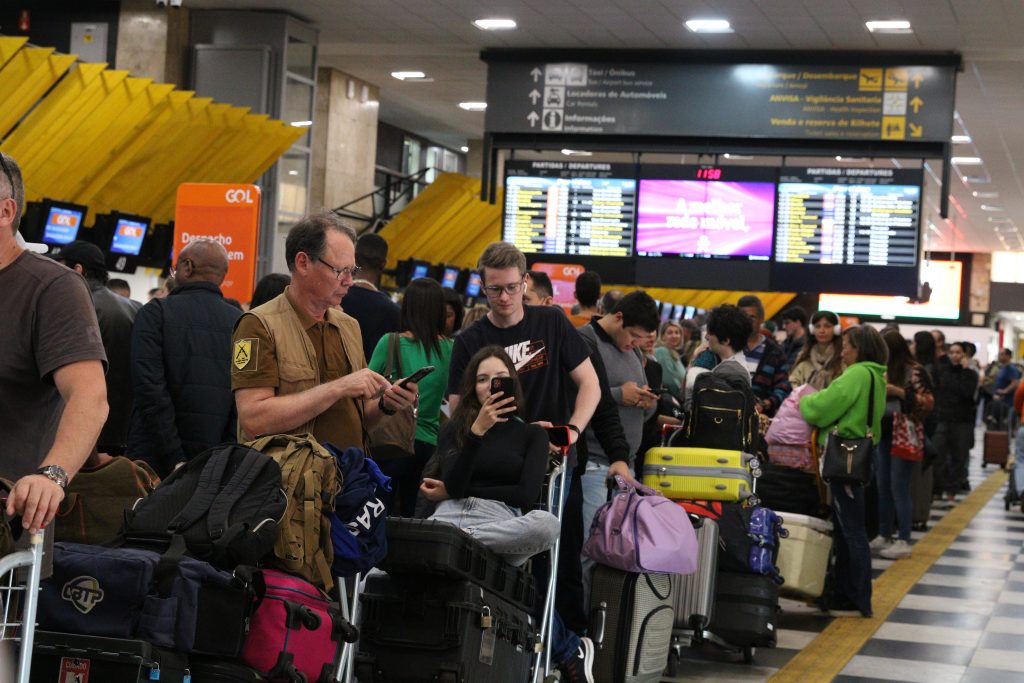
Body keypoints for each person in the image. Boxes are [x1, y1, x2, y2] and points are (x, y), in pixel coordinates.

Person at [446, 241, 600, 676]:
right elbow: (459, 411)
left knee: (548, 560)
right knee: (498, 562)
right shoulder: (471, 340)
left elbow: (590, 385)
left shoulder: (551, 322)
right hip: (491, 463)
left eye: (512, 287)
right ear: (482, 287)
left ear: (525, 282)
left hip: (548, 463)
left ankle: (559, 648)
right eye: (494, 290)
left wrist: (570, 430)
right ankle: (551, 649)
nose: (504, 297)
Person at [421, 346, 588, 681]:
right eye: (482, 379)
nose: (490, 385)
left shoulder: (532, 434)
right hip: (449, 516)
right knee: (379, 574)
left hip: (498, 524)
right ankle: (455, 542)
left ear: (511, 383)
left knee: (547, 524)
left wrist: (461, 491)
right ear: (473, 387)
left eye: (498, 378)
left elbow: (525, 497)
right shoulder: (456, 429)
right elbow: (453, 484)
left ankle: (459, 544)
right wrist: (477, 434)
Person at [0, 151, 108, 560]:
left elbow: (89, 397)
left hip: (8, 529)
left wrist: (52, 475)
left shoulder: (51, 288)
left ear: (6, 210)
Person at [232, 213, 417, 451]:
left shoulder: (349, 326)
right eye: (340, 271)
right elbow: (254, 420)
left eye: (353, 270)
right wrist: (338, 388)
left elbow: (357, 421)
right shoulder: (259, 325)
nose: (349, 281)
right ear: (303, 263)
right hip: (289, 483)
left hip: (349, 479)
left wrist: (385, 404)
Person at [127, 238, 243, 475]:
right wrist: (224, 453)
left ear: (187, 267)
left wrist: (175, 458)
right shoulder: (241, 324)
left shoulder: (155, 314)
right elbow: (243, 396)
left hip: (154, 458)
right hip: (215, 463)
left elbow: (149, 388)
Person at [800, 325, 888, 618]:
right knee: (850, 527)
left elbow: (824, 407)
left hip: (844, 458)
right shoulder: (876, 375)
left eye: (848, 345)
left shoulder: (856, 374)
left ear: (859, 348)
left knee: (851, 529)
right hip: (863, 456)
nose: (843, 350)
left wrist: (805, 400)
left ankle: (857, 596)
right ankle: (848, 593)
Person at [577, 292, 660, 595]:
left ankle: (607, 622)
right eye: (634, 336)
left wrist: (645, 402)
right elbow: (579, 398)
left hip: (626, 467)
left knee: (618, 553)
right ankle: (581, 624)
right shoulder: (585, 341)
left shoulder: (635, 353)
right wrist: (617, 395)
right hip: (595, 464)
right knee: (589, 549)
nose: (635, 344)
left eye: (642, 340)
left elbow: (640, 413)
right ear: (619, 317)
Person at [368, 278, 453, 516]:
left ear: (407, 307)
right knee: (415, 517)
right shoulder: (451, 348)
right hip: (429, 446)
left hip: (390, 442)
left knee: (380, 516)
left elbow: (366, 386)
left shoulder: (391, 342)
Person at [55, 241, 141, 455]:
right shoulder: (136, 309)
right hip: (125, 429)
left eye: (60, 266)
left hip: (81, 427)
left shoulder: (75, 306)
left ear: (78, 270)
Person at [870, 329, 929, 560]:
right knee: (882, 485)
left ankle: (904, 538)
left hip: (903, 433)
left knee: (899, 487)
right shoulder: (879, 369)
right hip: (882, 431)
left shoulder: (914, 371)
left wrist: (899, 392)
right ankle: (885, 533)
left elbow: (927, 403)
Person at [341, 231, 401, 360]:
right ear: (383, 264)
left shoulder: (335, 297)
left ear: (354, 258)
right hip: (369, 378)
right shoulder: (393, 311)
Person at [684, 304, 753, 409]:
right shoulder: (733, 365)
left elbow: (694, 408)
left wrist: (694, 369)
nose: (706, 337)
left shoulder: (729, 371)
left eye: (710, 333)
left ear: (725, 340)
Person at [933, 342, 978, 501]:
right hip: (943, 418)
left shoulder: (970, 375)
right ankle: (937, 489)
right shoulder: (942, 371)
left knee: (958, 457)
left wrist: (964, 370)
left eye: (958, 352)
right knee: (938, 455)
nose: (955, 356)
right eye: (952, 352)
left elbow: (966, 393)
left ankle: (952, 490)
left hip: (962, 421)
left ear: (964, 355)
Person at [736, 294, 793, 416]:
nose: (747, 321)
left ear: (762, 319)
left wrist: (765, 403)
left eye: (752, 317)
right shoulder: (730, 347)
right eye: (743, 317)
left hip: (761, 421)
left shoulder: (775, 353)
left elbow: (784, 386)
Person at [788, 311, 845, 390]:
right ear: (812, 330)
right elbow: (793, 382)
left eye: (827, 326)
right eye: (817, 326)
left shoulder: (843, 358)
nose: (822, 331)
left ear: (836, 329)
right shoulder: (804, 358)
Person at [654, 320, 687, 400]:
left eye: (677, 332)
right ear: (662, 336)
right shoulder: (662, 351)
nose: (674, 336)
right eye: (670, 333)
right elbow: (669, 381)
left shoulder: (673, 352)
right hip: (672, 400)